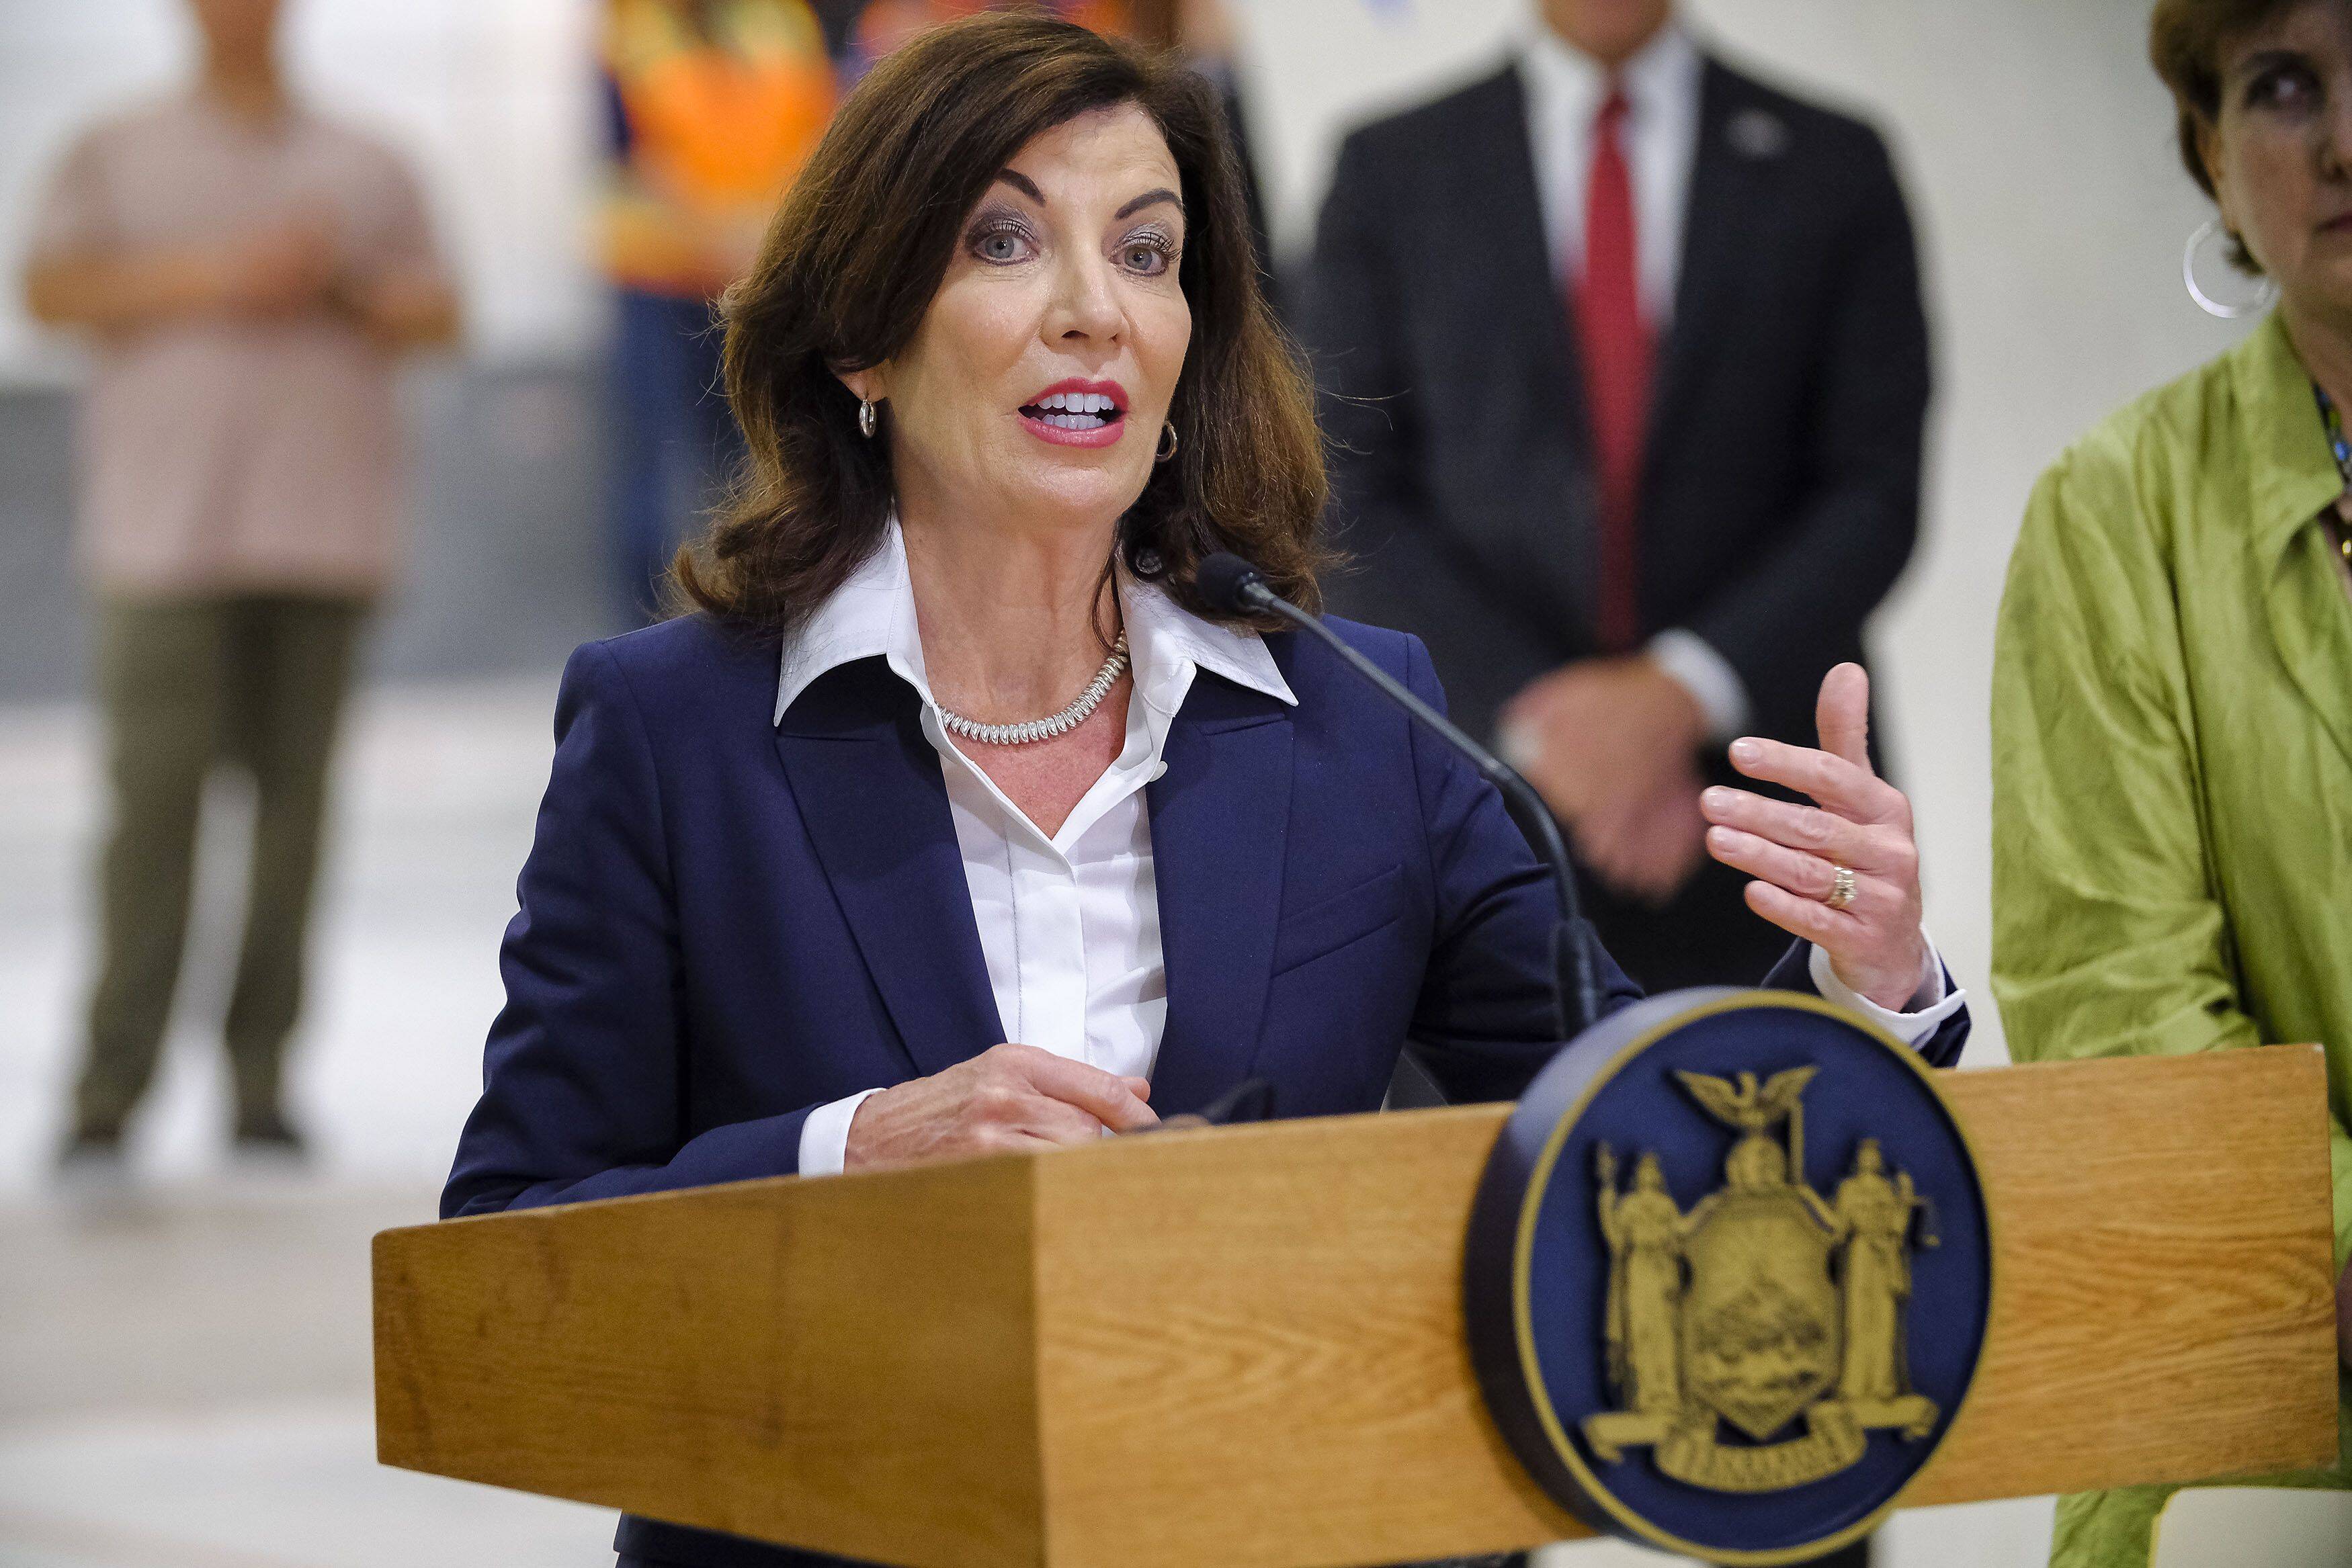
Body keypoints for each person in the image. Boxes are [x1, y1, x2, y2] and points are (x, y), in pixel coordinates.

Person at [439, 16, 1967, 1567]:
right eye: (1005, 242)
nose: (1094, 311)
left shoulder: (1356, 719)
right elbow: (505, 1260)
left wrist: (1866, 983)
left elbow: (1625, 1126)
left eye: (1150, 253)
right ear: (862, 338)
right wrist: (849, 1154)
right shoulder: (673, 732)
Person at [1299, 0, 1931, 1001]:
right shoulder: (1389, 168)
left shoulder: (1833, 164)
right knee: (1482, 1155)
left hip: (1771, 819)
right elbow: (1346, 494)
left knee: (1795, 1141)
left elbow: (1874, 491)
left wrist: (1679, 694)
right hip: (1476, 809)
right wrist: (1561, 734)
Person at [1991, 3, 2352, 1563]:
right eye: (2283, 88)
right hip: (2254, 1432)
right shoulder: (2111, 515)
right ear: (2212, 158)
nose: (2342, 137)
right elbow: (2117, 1026)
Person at [24, 0, 458, 1170]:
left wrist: (336, 286)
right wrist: (217, 274)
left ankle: (261, 1080)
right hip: (165, 537)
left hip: (320, 532)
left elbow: (441, 311)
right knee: (150, 817)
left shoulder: (368, 160)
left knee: (293, 823)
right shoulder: (113, 151)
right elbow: (52, 293)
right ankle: (110, 1085)